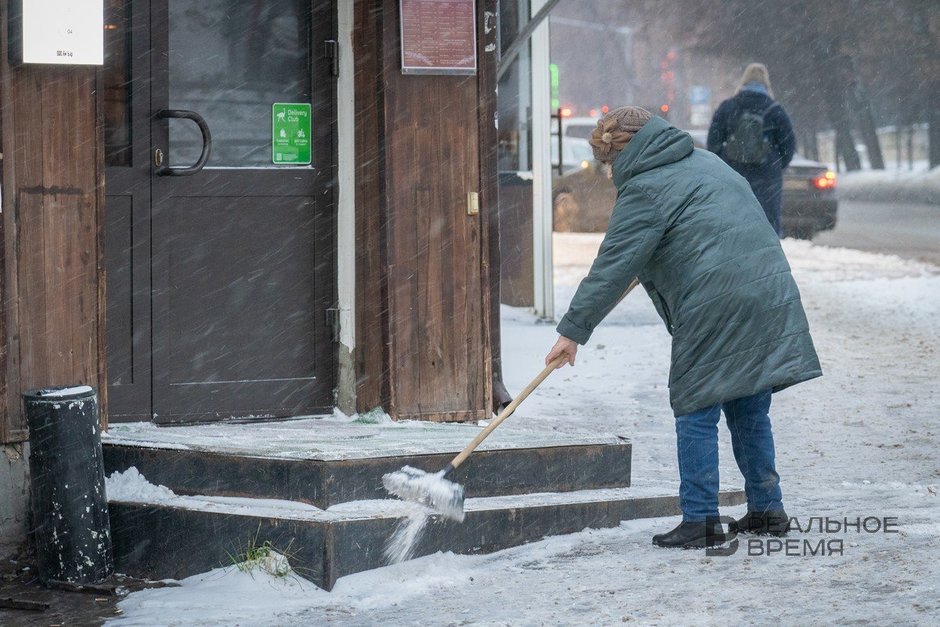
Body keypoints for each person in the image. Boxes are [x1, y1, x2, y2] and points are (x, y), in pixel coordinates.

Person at [544, 106, 821, 549]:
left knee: (695, 404)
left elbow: (611, 267)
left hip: (717, 300)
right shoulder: (706, 161)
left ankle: (701, 518)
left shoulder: (646, 189)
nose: (610, 170)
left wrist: (572, 331)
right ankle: (768, 509)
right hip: (766, 288)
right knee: (748, 404)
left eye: (609, 160)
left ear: (623, 152)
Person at [707, 63, 795, 236]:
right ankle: (766, 260)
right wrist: (774, 164)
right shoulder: (775, 110)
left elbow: (713, 142)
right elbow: (788, 146)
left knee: (731, 222)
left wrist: (725, 163)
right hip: (767, 178)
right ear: (766, 84)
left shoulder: (728, 107)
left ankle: (734, 260)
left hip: (732, 174)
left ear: (743, 81)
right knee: (767, 225)